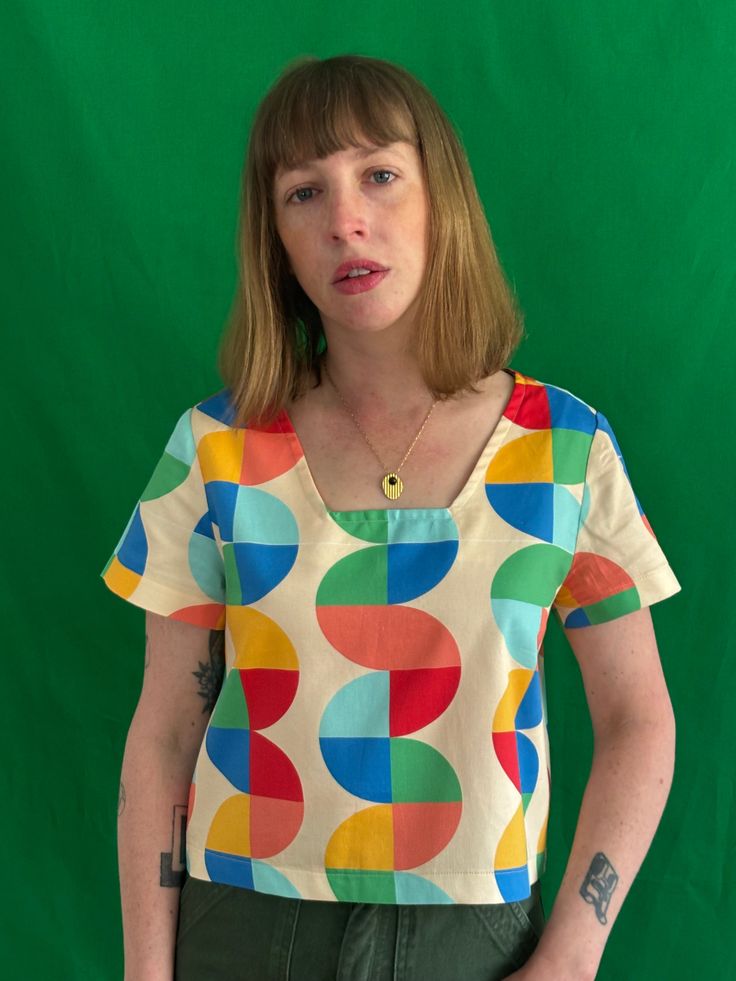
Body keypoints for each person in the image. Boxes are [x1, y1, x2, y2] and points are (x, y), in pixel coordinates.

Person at [100, 54, 681, 981]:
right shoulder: (213, 448)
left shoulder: (567, 448)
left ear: (439, 195)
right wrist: (145, 968)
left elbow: (639, 716)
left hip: (479, 939)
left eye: (379, 174)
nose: (345, 221)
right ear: (274, 238)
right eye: (303, 193)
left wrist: (572, 956)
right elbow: (165, 728)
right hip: (242, 924)